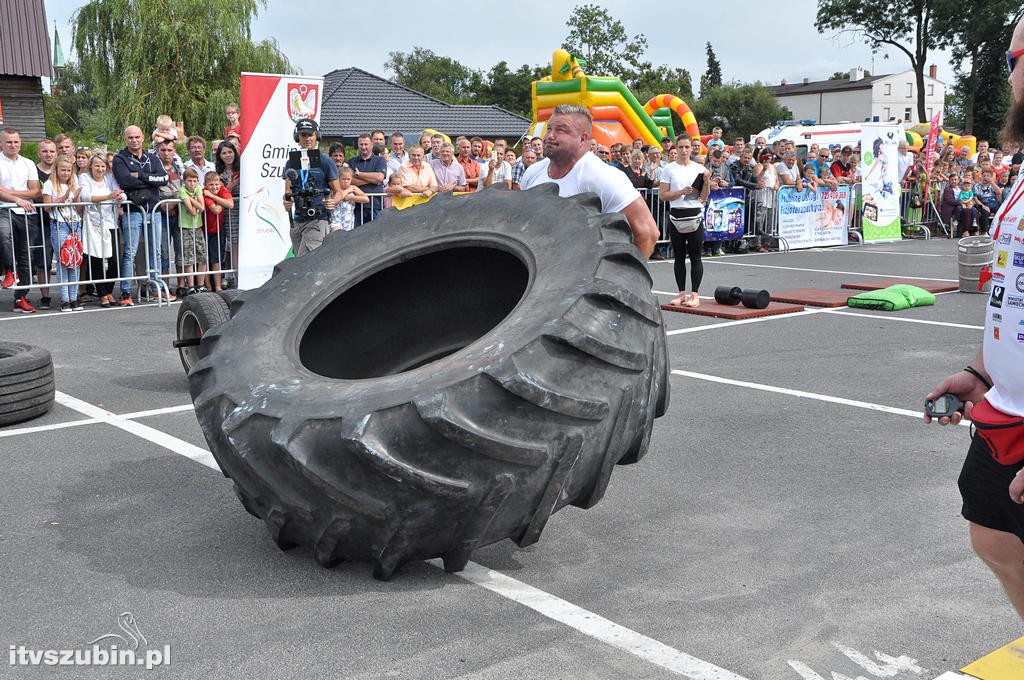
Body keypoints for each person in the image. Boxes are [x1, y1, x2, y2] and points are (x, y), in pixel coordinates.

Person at [925, 15, 1024, 620]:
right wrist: (981, 373)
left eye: (1018, 58)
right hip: (1004, 412)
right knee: (994, 540)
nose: (1011, 73)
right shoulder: (1019, 177)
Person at [520, 104, 658, 258]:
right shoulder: (532, 173)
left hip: (581, 278)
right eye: (549, 129)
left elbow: (647, 232)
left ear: (583, 138)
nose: (550, 136)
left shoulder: (602, 176)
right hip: (538, 273)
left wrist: (627, 277)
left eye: (560, 130)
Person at [112, 125, 169, 306]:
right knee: (130, 252)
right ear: (125, 139)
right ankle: (126, 292)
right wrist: (149, 180)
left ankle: (156, 288)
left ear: (143, 137)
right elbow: (125, 180)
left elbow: (164, 179)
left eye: (137, 137)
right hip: (133, 211)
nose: (134, 140)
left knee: (156, 251)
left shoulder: (152, 157)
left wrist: (141, 175)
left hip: (154, 209)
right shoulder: (120, 159)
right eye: (130, 138)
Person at [658, 133, 710, 307]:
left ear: (692, 148)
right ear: (676, 148)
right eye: (680, 147)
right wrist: (680, 192)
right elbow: (663, 195)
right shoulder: (668, 169)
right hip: (676, 216)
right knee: (678, 257)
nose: (684, 150)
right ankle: (681, 293)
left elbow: (703, 197)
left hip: (695, 214)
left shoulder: (699, 168)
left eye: (687, 147)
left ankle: (695, 294)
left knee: (695, 257)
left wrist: (707, 181)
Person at [282, 118, 341, 257]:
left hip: (318, 218)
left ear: (317, 136)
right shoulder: (290, 162)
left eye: (311, 135)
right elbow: (287, 191)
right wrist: (286, 200)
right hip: (297, 220)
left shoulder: (326, 162)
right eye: (303, 135)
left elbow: (338, 192)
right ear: (298, 138)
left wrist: (333, 201)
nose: (307, 138)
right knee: (300, 260)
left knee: (305, 261)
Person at [0, 127, 43, 313]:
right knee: (3, 236)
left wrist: (7, 192)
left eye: (16, 142)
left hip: (27, 213)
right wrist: (17, 198)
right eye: (9, 142)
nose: (13, 145)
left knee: (26, 256)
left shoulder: (28, 163)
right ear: (1, 143)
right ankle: (10, 270)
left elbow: (35, 191)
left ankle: (21, 298)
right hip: (3, 210)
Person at [79, 153, 123, 307]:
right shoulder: (84, 178)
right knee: (96, 259)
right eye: (97, 165)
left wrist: (118, 197)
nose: (100, 169)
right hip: (93, 224)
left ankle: (109, 291)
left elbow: (119, 193)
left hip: (110, 223)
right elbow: (85, 197)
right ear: (91, 165)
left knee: (115, 260)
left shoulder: (110, 178)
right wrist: (108, 196)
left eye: (103, 166)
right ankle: (102, 294)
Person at [41, 155, 83, 311]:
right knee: (64, 262)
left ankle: (74, 297)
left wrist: (76, 198)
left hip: (75, 224)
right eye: (62, 170)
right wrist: (63, 198)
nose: (65, 173)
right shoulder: (49, 184)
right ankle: (65, 299)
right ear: (56, 169)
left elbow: (79, 209)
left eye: (68, 170)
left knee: (75, 261)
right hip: (59, 225)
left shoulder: (74, 184)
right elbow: (46, 207)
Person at [202, 172, 233, 292]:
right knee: (204, 259)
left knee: (217, 259)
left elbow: (230, 204)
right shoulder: (204, 192)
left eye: (216, 184)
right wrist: (221, 202)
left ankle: (218, 286)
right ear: (205, 185)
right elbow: (215, 210)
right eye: (211, 185)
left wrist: (213, 196)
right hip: (203, 229)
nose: (214, 187)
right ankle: (208, 286)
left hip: (217, 230)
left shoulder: (221, 190)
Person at [177, 168, 207, 293]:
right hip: (186, 227)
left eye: (194, 181)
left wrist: (192, 200)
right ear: (184, 181)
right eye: (189, 181)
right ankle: (190, 285)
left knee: (202, 256)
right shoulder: (182, 191)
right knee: (188, 257)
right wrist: (194, 201)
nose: (192, 184)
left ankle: (200, 284)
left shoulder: (198, 189)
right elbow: (193, 211)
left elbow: (201, 207)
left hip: (198, 227)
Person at [347, 134, 387, 225]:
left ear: (372, 145)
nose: (363, 147)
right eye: (361, 144)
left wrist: (359, 174)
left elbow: (379, 178)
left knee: (376, 234)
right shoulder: (352, 161)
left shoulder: (380, 160)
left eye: (366, 144)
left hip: (376, 205)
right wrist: (372, 179)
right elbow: (350, 181)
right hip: (356, 206)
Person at [329, 167, 368, 232]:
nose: (346, 181)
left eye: (348, 179)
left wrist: (351, 197)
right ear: (338, 179)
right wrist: (347, 191)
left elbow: (366, 199)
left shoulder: (353, 188)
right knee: (337, 235)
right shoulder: (335, 188)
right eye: (343, 179)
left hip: (348, 220)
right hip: (335, 219)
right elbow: (335, 201)